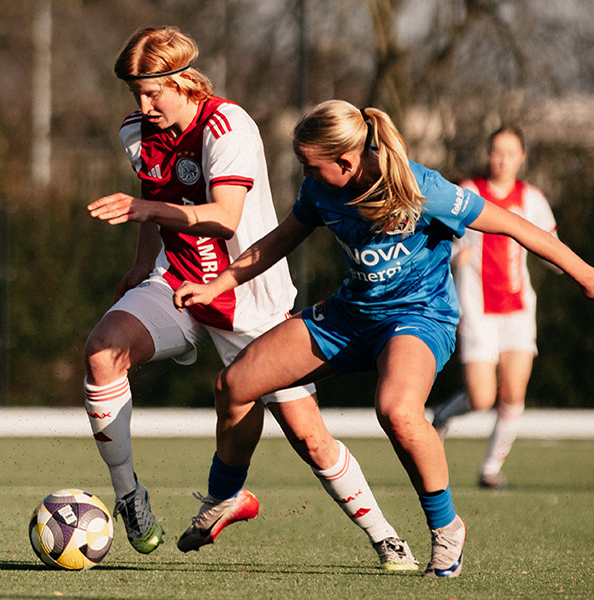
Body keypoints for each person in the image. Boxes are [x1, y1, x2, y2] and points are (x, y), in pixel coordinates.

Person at [173, 99, 594, 577]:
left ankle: (447, 530)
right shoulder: (320, 191)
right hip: (350, 315)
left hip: (418, 318)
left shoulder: (421, 188)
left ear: (345, 161)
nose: (306, 173)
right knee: (233, 385)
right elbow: (279, 240)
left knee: (398, 411)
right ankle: (226, 496)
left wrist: (584, 272)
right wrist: (218, 283)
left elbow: (513, 225)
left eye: (311, 165)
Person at [84, 27, 418, 570]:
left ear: (183, 81)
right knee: (103, 350)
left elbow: (225, 216)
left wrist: (149, 211)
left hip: (247, 295)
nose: (142, 106)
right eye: (134, 94)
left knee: (308, 436)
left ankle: (385, 537)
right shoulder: (136, 131)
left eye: (152, 93)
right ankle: (129, 497)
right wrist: (142, 267)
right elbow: (153, 197)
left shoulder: (227, 123)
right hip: (177, 284)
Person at [432, 126, 557, 489]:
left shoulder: (531, 197)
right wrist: (457, 254)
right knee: (482, 398)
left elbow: (550, 244)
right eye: (496, 151)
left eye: (509, 152)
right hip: (477, 310)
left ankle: (490, 469)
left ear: (522, 157)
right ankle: (442, 415)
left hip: (518, 311)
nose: (501, 159)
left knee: (513, 394)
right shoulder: (468, 193)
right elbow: (439, 239)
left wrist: (574, 269)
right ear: (488, 154)